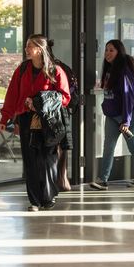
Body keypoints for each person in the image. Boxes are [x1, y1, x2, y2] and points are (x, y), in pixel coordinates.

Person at [0, 34, 71, 211]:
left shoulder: (55, 70)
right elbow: (12, 95)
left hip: (48, 121)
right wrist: (5, 118)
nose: (26, 49)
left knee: (47, 159)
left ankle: (48, 196)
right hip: (26, 119)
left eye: (29, 46)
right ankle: (35, 201)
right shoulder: (22, 70)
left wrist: (39, 101)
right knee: (30, 159)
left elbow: (65, 97)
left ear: (39, 49)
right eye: (26, 45)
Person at [89, 39, 134, 190]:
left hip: (129, 116)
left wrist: (126, 120)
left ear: (119, 52)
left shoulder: (124, 70)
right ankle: (102, 180)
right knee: (108, 147)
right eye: (106, 50)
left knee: (133, 146)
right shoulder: (109, 69)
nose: (107, 53)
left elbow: (128, 97)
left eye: (112, 50)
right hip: (112, 115)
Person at [47, 38, 77, 192]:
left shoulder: (53, 69)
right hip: (63, 113)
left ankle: (51, 182)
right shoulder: (62, 66)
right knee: (61, 147)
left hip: (53, 114)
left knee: (53, 147)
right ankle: (61, 180)